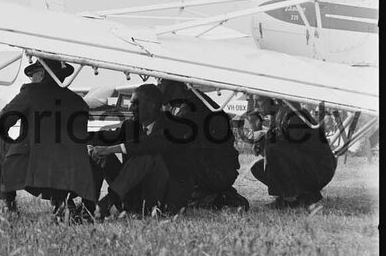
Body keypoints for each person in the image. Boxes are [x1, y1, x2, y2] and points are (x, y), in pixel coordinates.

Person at [0, 59, 96, 219]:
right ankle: (63, 202)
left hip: (35, 172)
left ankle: (8, 203)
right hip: (71, 176)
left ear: (42, 74)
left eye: (32, 74)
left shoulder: (31, 93)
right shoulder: (78, 102)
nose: (30, 78)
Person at [89, 83, 192, 218]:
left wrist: (109, 149)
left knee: (148, 155)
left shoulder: (173, 126)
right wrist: (78, 138)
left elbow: (148, 144)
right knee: (99, 155)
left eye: (136, 104)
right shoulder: (131, 126)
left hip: (161, 196)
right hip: (132, 192)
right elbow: (106, 136)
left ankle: (108, 202)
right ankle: (89, 206)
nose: (130, 107)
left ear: (152, 106)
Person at [157, 80, 249, 211]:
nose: (168, 101)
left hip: (215, 172)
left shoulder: (191, 108)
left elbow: (171, 136)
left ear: (178, 89)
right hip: (219, 169)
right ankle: (214, 196)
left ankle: (219, 198)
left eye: (168, 95)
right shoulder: (198, 102)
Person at [250, 103, 337, 215]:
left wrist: (267, 142)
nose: (257, 106)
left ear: (274, 101)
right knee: (258, 168)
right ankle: (302, 196)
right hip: (309, 165)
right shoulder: (280, 116)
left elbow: (286, 148)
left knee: (273, 150)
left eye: (260, 101)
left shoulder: (295, 116)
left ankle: (289, 198)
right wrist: (260, 141)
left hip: (319, 169)